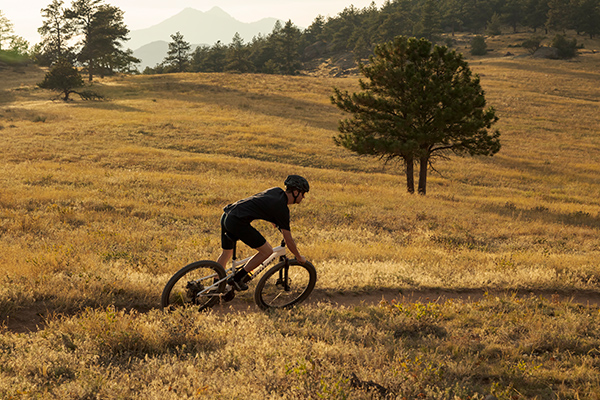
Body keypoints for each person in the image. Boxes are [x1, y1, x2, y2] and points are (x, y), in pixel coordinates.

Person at [217, 175, 309, 291]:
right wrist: (298, 256)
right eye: (303, 194)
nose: (304, 197)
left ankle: (216, 286)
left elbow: (260, 203)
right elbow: (288, 240)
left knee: (226, 254)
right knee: (267, 251)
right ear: (296, 192)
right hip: (237, 222)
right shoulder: (282, 209)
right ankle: (237, 279)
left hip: (227, 214)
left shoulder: (276, 191)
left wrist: (273, 220)